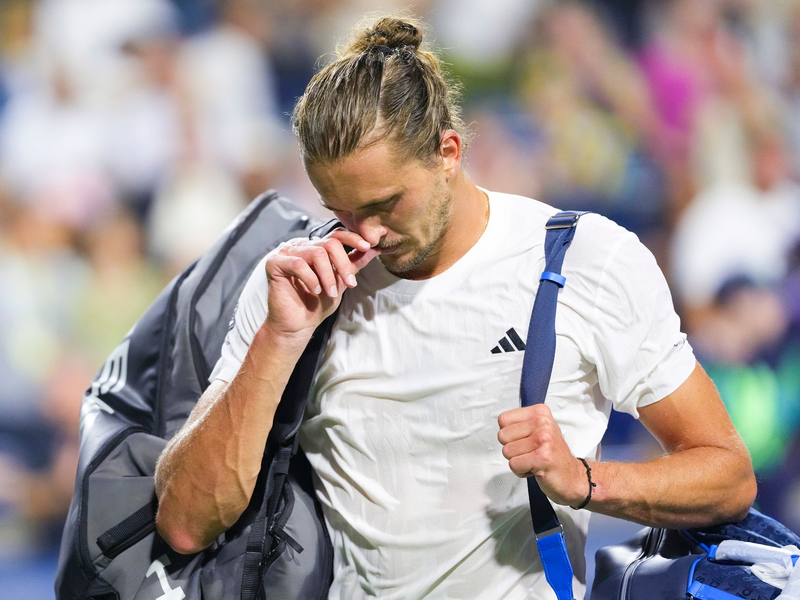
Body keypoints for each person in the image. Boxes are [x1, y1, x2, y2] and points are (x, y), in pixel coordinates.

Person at [153, 15, 756, 600]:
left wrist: (584, 480)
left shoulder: (588, 260)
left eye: (386, 204)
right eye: (339, 210)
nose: (365, 234)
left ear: (449, 151)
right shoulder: (293, 285)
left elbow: (727, 476)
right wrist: (279, 339)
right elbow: (184, 523)